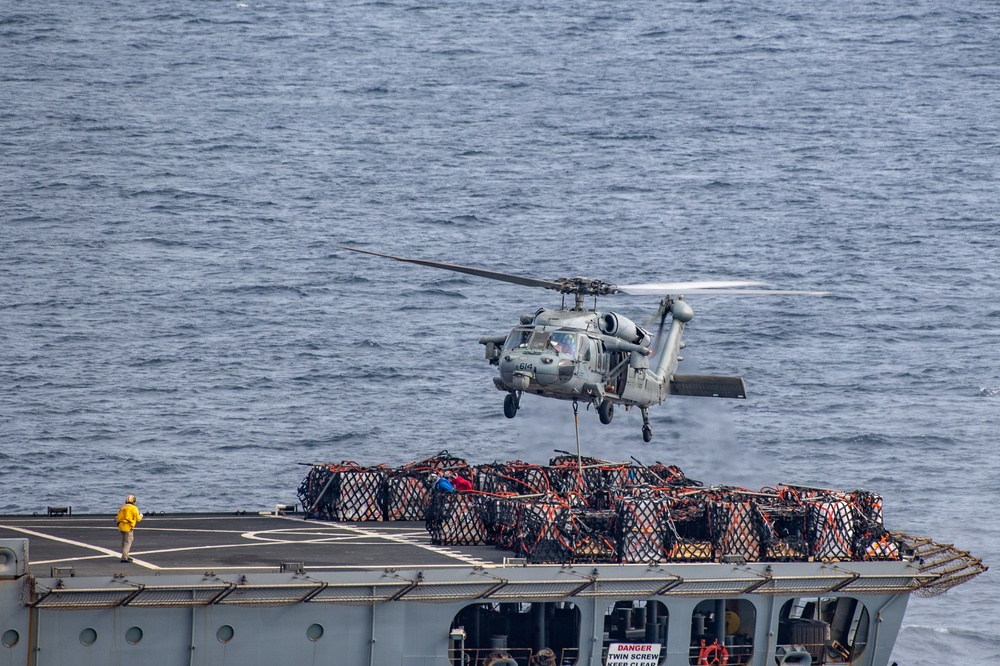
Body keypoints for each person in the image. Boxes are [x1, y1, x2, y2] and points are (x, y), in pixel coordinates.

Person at [116, 494, 143, 563]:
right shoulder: (133, 508)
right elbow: (138, 518)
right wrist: (141, 516)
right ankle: (124, 557)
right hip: (128, 526)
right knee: (128, 541)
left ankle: (126, 555)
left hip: (121, 526)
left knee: (125, 541)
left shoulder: (123, 507)